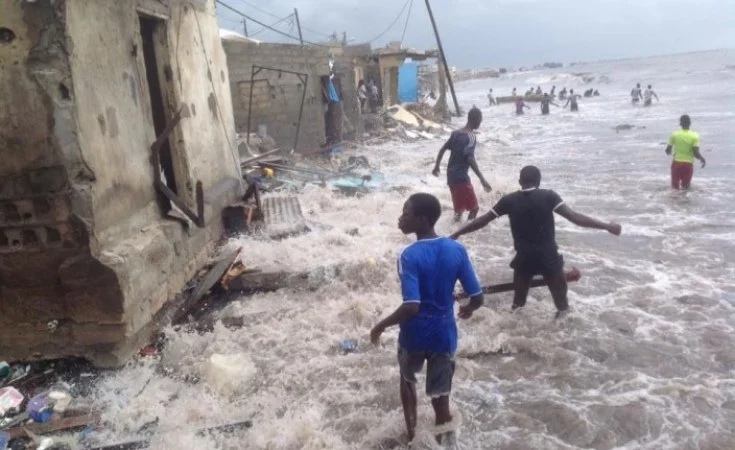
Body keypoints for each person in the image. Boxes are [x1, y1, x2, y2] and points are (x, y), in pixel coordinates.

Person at [371, 193, 484, 444]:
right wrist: (468, 308)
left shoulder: (408, 254)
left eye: (406, 213)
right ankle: (446, 443)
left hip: (414, 335)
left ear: (421, 220)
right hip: (444, 334)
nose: (400, 218)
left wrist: (379, 326)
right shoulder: (456, 249)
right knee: (441, 399)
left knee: (407, 382)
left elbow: (411, 306)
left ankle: (413, 440)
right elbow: (477, 296)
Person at [450, 166, 621, 317]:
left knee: (517, 307)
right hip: (549, 260)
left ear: (519, 181)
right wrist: (607, 226)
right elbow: (575, 218)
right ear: (539, 181)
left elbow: (483, 220)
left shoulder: (509, 200)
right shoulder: (549, 196)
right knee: (563, 308)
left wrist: (458, 232)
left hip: (524, 260)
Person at [432, 107, 492, 222]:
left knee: (459, 211)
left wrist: (436, 167)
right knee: (474, 209)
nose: (480, 123)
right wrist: (482, 179)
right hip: (461, 177)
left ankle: (455, 231)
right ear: (477, 120)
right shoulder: (471, 137)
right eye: (480, 120)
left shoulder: (455, 134)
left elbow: (442, 149)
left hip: (451, 177)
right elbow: (469, 158)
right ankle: (467, 232)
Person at [665, 114, 706, 190]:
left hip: (676, 164)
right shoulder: (694, 136)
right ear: (690, 123)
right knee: (686, 188)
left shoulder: (674, 134)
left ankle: (674, 201)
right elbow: (696, 153)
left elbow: (667, 150)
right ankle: (685, 201)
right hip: (688, 165)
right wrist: (702, 159)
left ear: (680, 123)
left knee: (675, 188)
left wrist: (669, 152)